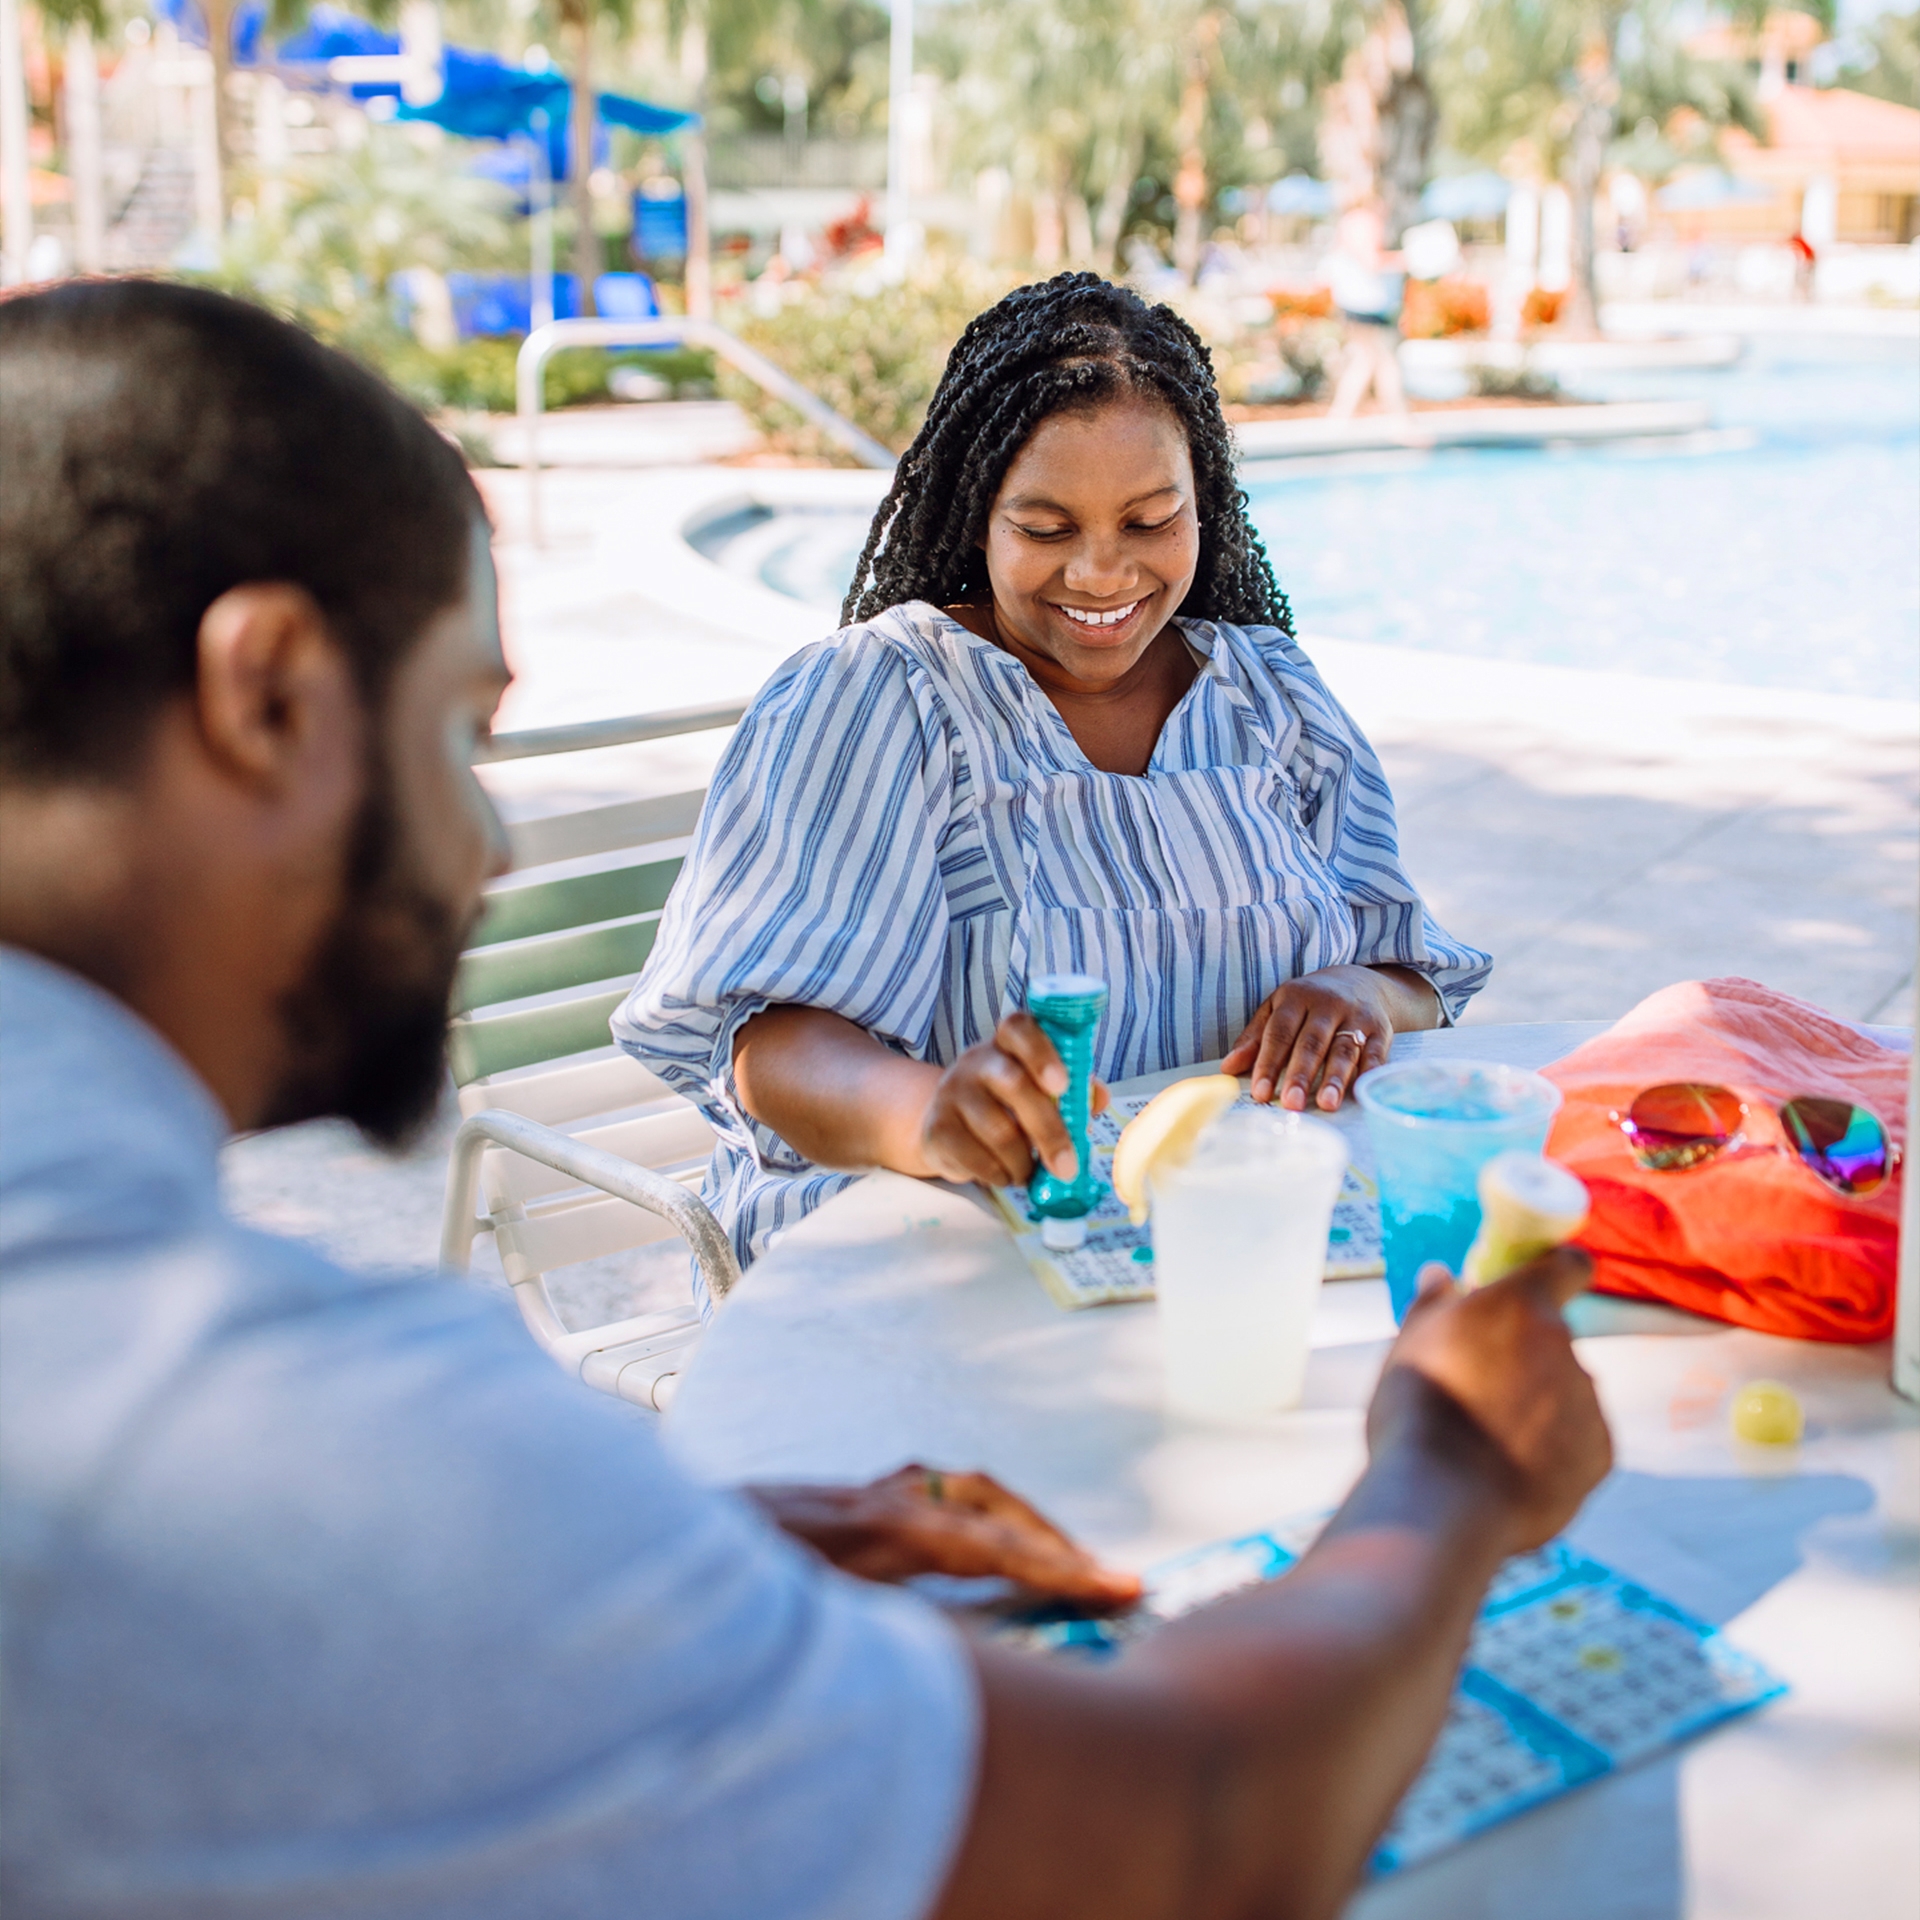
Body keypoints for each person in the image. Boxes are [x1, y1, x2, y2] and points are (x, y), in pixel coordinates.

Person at [1, 280, 1611, 1920]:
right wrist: (1453, 1466)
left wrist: (709, 1554)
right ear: (265, 693)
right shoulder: (284, 1439)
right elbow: (1204, 1829)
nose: (489, 852)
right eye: (459, 735)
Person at [617, 273, 1482, 1280]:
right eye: (1046, 529)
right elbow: (769, 1051)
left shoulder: (1269, 693)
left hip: (1233, 1235)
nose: (1103, 575)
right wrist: (926, 1115)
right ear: (977, 514)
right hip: (935, 1252)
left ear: (1209, 505)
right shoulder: (882, 698)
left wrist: (1354, 996)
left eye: (1152, 519)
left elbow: (1415, 976)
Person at [1326, 200, 1409, 422]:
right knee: (1382, 361)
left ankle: (1340, 417)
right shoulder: (1364, 223)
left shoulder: (1349, 222)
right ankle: (1398, 420)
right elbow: (1371, 261)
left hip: (1354, 303)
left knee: (1367, 361)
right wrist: (1405, 259)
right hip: (1366, 305)